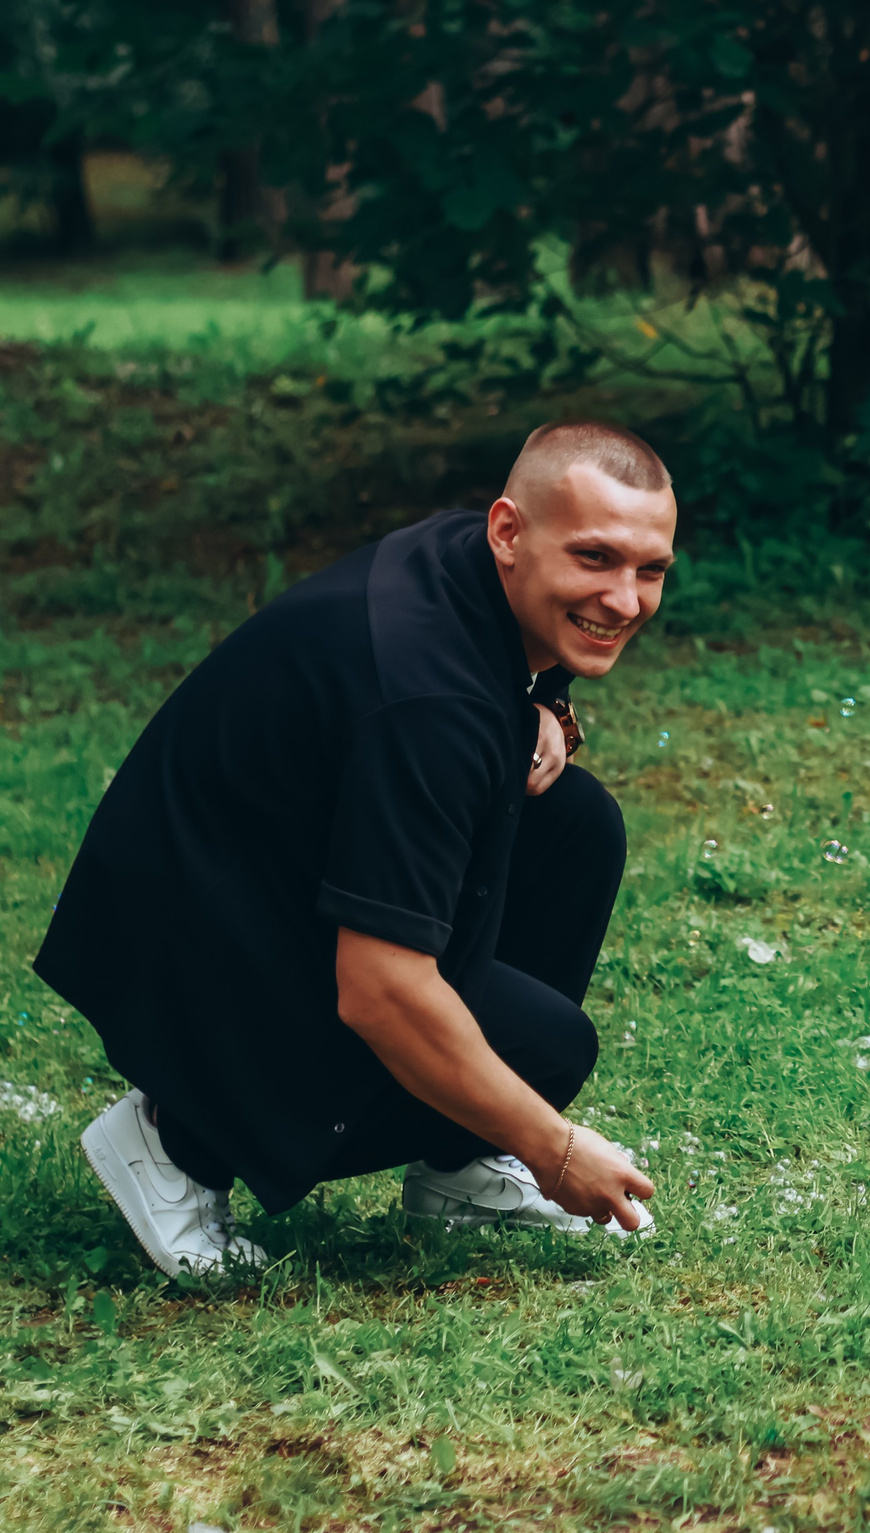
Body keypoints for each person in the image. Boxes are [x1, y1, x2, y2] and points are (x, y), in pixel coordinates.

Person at [37, 421, 667, 1278]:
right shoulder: (429, 698)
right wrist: (553, 1148)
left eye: (650, 569)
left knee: (577, 825)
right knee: (548, 1048)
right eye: (596, 559)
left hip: (259, 854)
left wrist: (548, 704)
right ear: (509, 531)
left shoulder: (468, 566)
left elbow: (497, 674)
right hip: (189, 922)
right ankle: (176, 1141)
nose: (626, 599)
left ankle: (458, 1167)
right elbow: (382, 993)